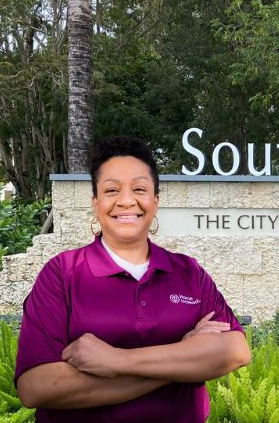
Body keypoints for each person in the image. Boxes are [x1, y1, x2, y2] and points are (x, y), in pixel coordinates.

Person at [15, 136, 251, 422]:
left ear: (155, 201)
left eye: (139, 189)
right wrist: (184, 360)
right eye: (112, 190)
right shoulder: (62, 273)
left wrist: (115, 360)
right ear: (96, 202)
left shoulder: (188, 272)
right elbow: (36, 387)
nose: (126, 201)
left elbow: (236, 351)